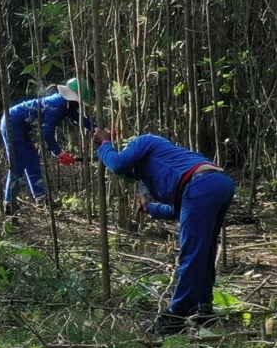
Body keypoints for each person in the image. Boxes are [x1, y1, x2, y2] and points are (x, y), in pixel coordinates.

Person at [94, 129, 235, 335]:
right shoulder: (173, 163)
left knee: (192, 253)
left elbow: (117, 164)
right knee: (203, 251)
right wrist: (149, 209)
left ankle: (177, 316)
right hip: (220, 183)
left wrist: (104, 144)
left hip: (202, 184)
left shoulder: (145, 140)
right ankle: (204, 308)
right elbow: (182, 210)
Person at [0, 77, 95, 215]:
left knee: (32, 162)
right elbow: (47, 133)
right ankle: (9, 203)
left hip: (22, 128)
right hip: (12, 124)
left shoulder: (65, 105)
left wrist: (97, 129)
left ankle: (41, 199)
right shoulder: (57, 106)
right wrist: (58, 152)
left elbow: (79, 119)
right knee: (18, 164)